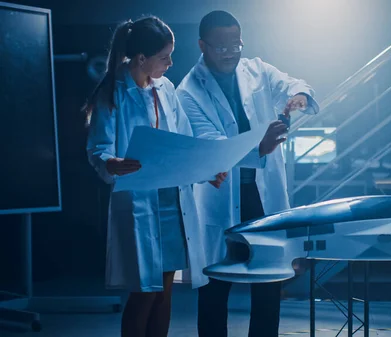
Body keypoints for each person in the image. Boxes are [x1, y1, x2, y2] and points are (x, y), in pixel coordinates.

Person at [175, 10, 320, 337]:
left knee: (269, 283)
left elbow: (292, 83)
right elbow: (212, 147)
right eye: (221, 47)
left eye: (236, 44)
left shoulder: (256, 70)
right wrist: (260, 147)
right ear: (202, 45)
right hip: (221, 198)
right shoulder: (188, 92)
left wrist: (299, 96)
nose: (231, 52)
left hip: (262, 195)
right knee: (214, 286)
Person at [85, 16, 225, 337]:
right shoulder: (112, 93)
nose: (171, 63)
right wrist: (112, 163)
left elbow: (183, 143)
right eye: (164, 57)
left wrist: (206, 171)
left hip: (172, 203)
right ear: (141, 59)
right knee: (143, 293)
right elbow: (98, 149)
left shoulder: (166, 88)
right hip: (139, 203)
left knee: (164, 292)